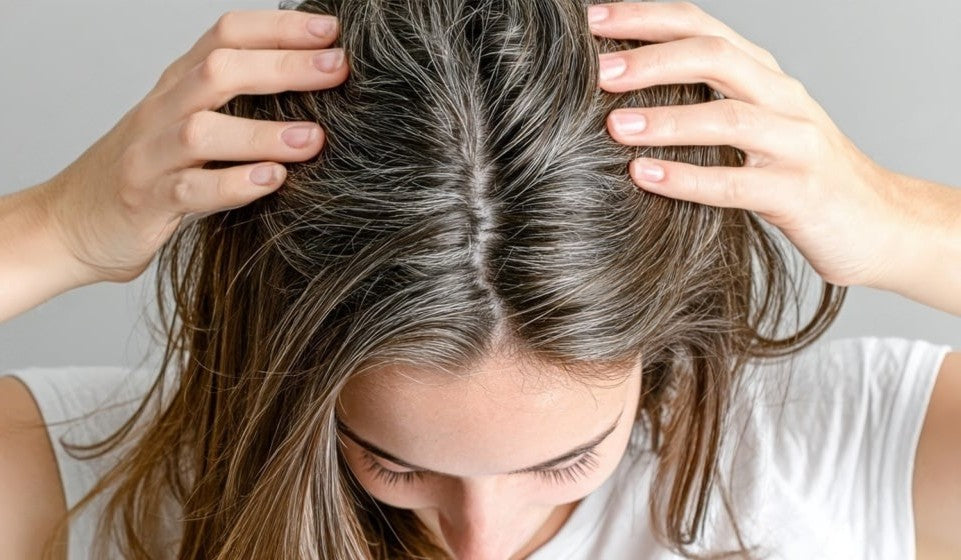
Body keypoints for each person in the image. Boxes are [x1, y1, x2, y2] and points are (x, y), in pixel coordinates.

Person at [0, 0, 959, 559]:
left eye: (566, 461)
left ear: (657, 336)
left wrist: (896, 222)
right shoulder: (82, 479)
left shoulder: (854, 451)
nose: (483, 543)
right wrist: (54, 229)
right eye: (395, 462)